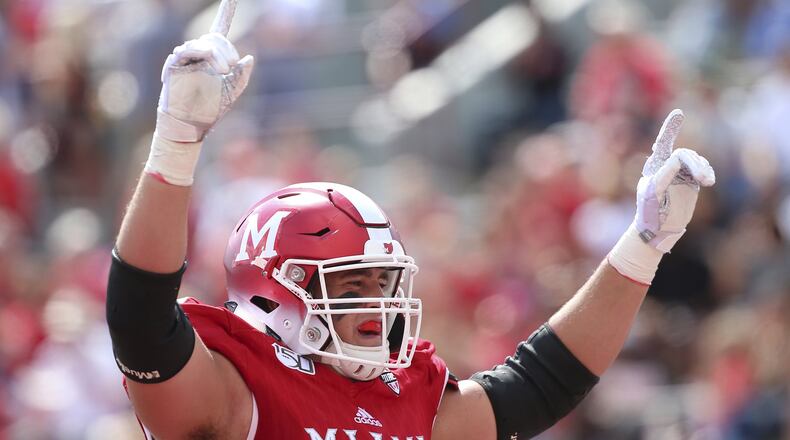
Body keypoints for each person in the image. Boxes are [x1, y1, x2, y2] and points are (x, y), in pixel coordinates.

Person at [105, 24, 715, 440]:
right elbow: (140, 321)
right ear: (276, 291)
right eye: (351, 284)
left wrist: (644, 245)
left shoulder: (407, 394)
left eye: (383, 283)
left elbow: (538, 386)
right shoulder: (237, 383)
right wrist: (177, 142)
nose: (378, 303)